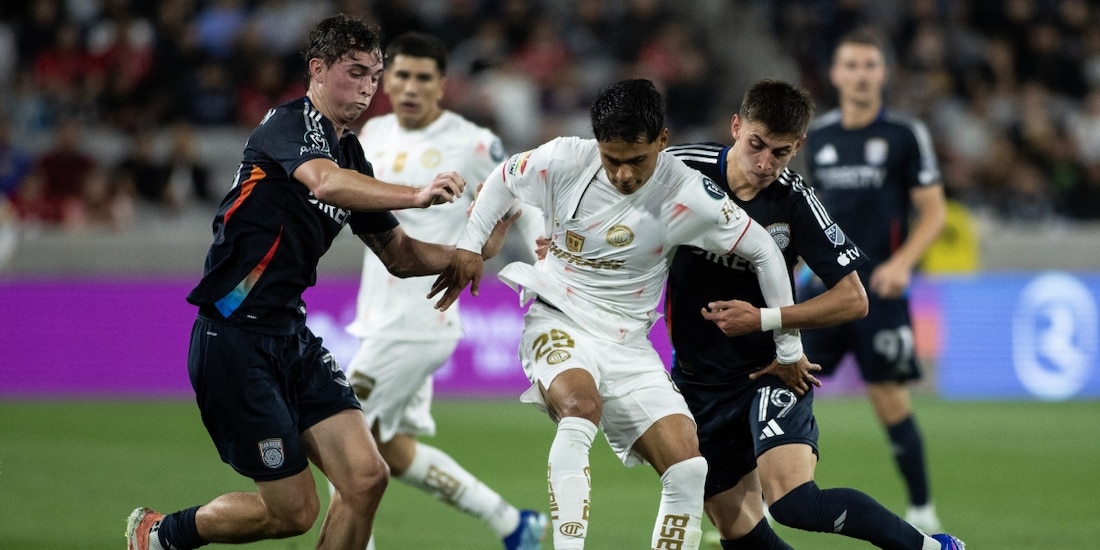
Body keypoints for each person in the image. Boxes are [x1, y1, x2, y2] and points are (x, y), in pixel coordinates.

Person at [124, 14, 520, 550]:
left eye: (374, 76)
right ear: (317, 69)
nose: (367, 87)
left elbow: (400, 255)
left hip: (291, 336)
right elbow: (325, 183)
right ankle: (161, 534)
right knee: (293, 513)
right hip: (233, 338)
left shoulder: (351, 152)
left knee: (366, 477)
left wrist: (473, 251)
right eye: (355, 72)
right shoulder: (287, 126)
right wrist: (416, 193)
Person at [429, 78, 807, 550]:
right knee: (581, 408)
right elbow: (505, 177)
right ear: (596, 144)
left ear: (662, 142)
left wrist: (788, 345)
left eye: (637, 160)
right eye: (612, 159)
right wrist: (468, 246)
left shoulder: (691, 194)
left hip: (629, 344)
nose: (624, 174)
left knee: (689, 468)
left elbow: (767, 252)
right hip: (559, 316)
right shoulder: (565, 157)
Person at [665, 79, 965, 550]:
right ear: (736, 126)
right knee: (738, 529)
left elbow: (854, 299)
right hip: (698, 381)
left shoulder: (796, 201)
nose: (765, 164)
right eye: (756, 145)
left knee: (794, 503)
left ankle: (931, 547)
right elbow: (610, 190)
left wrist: (764, 320)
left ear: (798, 145)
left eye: (781, 153)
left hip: (771, 369)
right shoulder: (680, 168)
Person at [342, 31, 546, 550]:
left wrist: (547, 262)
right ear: (388, 80)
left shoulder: (473, 143)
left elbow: (523, 203)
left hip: (421, 319)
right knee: (390, 449)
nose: (410, 87)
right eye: (402, 76)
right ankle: (510, 523)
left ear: (441, 84)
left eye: (423, 78)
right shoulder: (375, 131)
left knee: (339, 438)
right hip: (379, 314)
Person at [800, 29, 949, 534]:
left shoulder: (905, 135)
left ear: (883, 73)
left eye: (870, 65)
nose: (861, 74)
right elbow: (803, 210)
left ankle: (923, 509)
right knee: (785, 386)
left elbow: (933, 212)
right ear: (836, 74)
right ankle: (757, 499)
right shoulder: (817, 136)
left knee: (888, 397)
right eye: (851, 65)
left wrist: (903, 262)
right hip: (821, 292)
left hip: (879, 293)